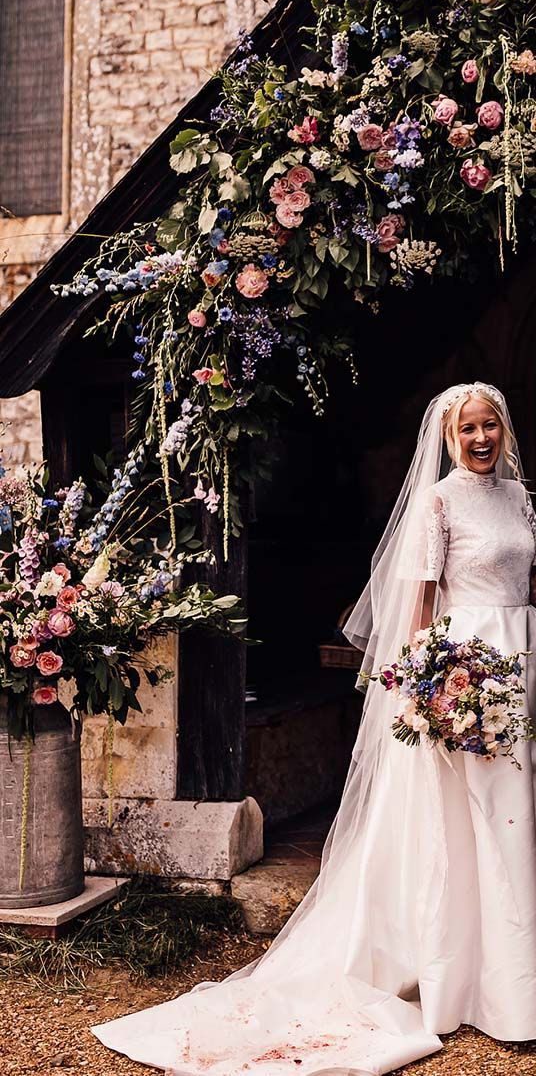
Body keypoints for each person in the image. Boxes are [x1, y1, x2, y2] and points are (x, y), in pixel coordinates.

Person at [93, 382, 536, 1075]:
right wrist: (424, 690)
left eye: (490, 427)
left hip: (520, 666)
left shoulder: (518, 497)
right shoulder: (437, 500)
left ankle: (515, 977)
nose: (481, 440)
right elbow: (417, 603)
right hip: (463, 673)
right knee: (468, 821)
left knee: (515, 817)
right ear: (449, 438)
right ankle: (465, 985)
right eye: (467, 430)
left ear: (505, 429)